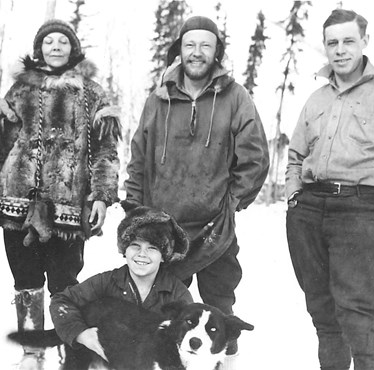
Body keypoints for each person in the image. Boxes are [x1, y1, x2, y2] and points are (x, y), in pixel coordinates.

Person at [0, 19, 121, 369]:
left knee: (65, 283)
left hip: (67, 207)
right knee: (24, 278)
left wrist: (101, 195)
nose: (55, 47)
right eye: (48, 41)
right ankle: (32, 351)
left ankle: (67, 348)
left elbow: (106, 150)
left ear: (74, 48)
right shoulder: (19, 90)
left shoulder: (92, 92)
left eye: (62, 42)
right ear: (38, 48)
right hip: (16, 203)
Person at [285, 9, 374, 370]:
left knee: (361, 321)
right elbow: (296, 155)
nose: (340, 50)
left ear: (365, 42)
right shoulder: (316, 99)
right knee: (324, 316)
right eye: (333, 43)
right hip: (310, 212)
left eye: (349, 41)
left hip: (362, 213)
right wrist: (294, 197)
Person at [124, 15, 269, 362]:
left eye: (206, 45)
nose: (197, 52)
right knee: (162, 312)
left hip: (214, 229)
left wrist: (231, 204)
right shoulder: (158, 99)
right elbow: (139, 157)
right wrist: (135, 209)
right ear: (180, 49)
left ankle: (223, 364)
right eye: (190, 44)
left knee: (220, 310)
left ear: (216, 51)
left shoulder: (236, 98)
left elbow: (255, 159)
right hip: (164, 229)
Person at [50, 204, 192, 364]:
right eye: (135, 246)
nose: (142, 254)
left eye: (152, 248)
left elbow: (186, 340)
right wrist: (81, 334)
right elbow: (62, 301)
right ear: (124, 249)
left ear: (164, 256)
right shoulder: (106, 281)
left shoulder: (177, 294)